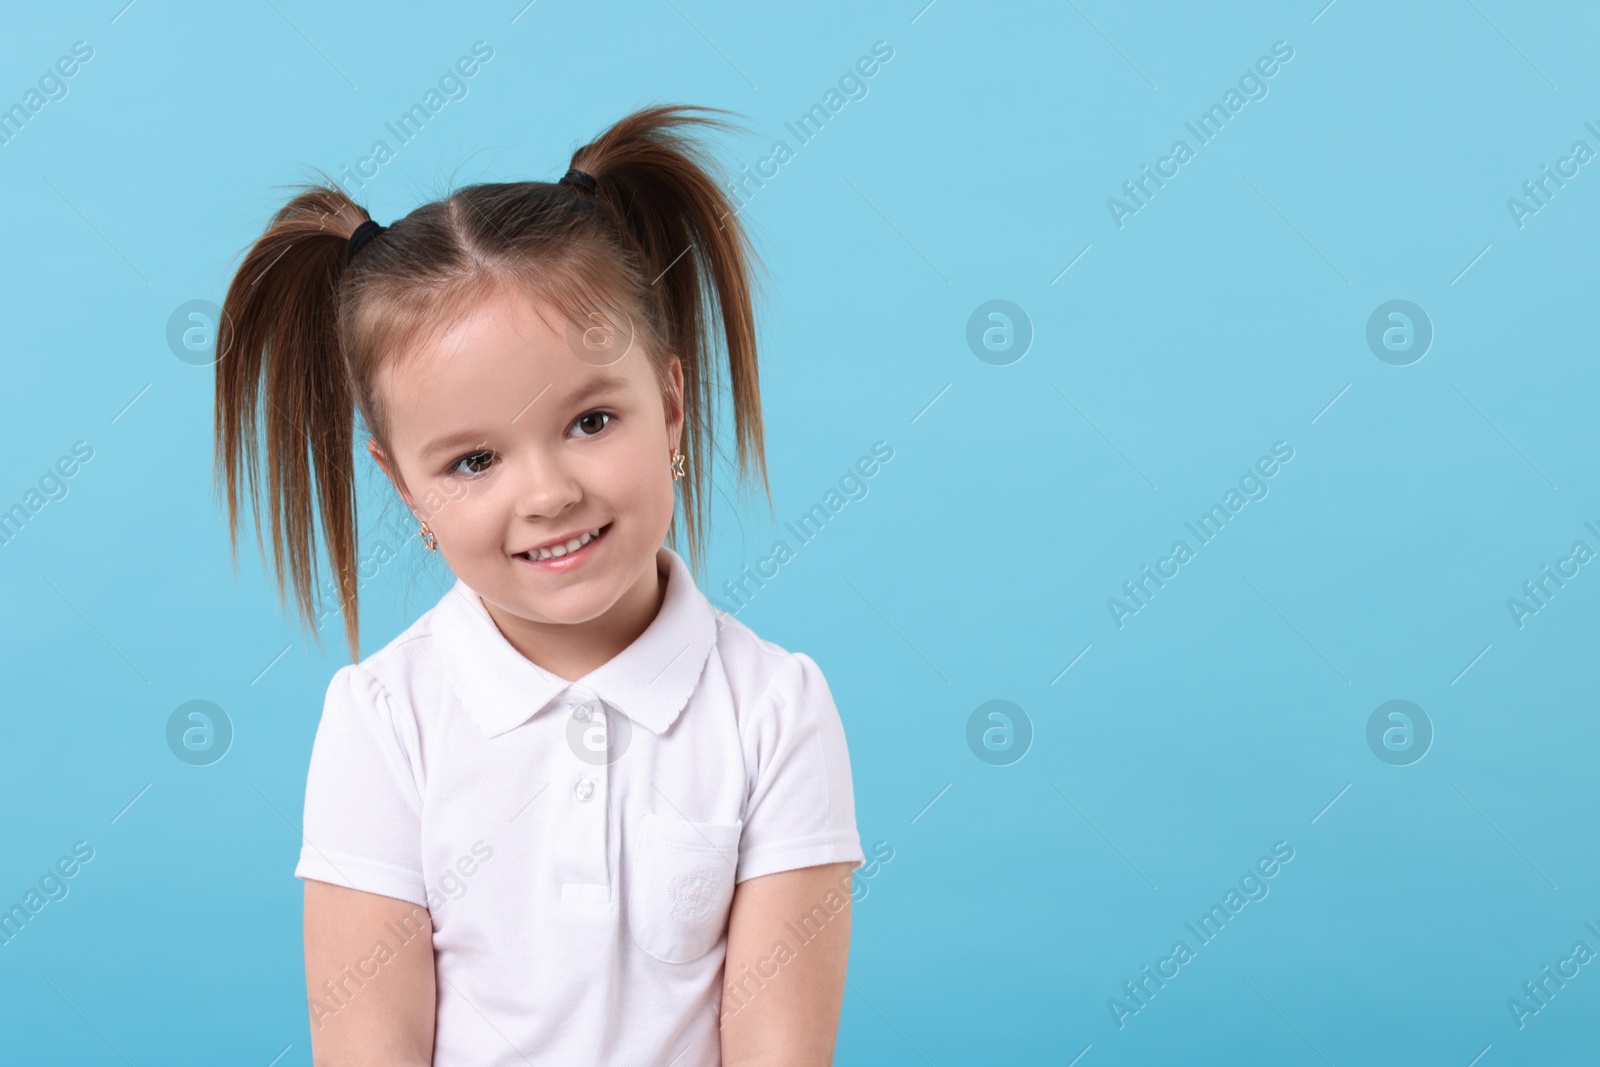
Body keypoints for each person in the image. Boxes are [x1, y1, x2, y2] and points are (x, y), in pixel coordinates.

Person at [212, 104, 866, 1066]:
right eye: (474, 460)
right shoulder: (386, 720)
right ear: (404, 486)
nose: (550, 493)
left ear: (673, 406)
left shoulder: (776, 712)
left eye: (592, 421)